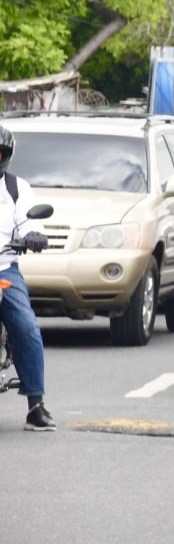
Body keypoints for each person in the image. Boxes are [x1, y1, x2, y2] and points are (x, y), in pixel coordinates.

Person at [0, 125, 55, 430]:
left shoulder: (15, 188)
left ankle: (36, 405)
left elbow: (29, 220)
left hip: (3, 269)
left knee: (25, 324)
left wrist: (34, 235)